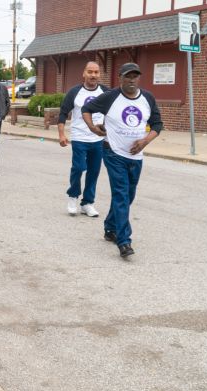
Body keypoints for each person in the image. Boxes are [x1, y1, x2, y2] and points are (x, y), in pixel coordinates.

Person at [81, 63, 163, 258]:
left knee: (129, 196)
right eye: (128, 76)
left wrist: (144, 141)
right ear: (120, 78)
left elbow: (158, 124)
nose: (132, 80)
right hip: (113, 153)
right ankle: (124, 241)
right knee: (121, 195)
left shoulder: (147, 98)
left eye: (135, 76)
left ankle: (110, 228)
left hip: (136, 156)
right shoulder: (111, 97)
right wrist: (93, 128)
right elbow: (86, 109)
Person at [57, 61, 110, 218]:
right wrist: (61, 134)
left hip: (98, 139)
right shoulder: (75, 92)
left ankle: (87, 203)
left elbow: (113, 113)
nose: (93, 75)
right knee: (79, 168)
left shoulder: (106, 92)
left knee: (94, 171)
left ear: (99, 74)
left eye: (96, 72)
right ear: (84, 73)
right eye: (90, 72)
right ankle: (73, 196)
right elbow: (63, 113)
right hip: (79, 137)